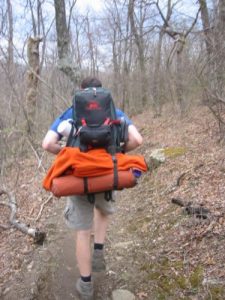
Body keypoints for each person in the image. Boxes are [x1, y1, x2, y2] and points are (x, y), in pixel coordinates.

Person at [42, 77, 143, 300]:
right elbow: (137, 139)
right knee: (102, 209)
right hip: (108, 173)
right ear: (101, 91)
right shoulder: (114, 111)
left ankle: (86, 285)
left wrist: (68, 154)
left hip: (79, 177)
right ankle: (99, 250)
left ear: (81, 92)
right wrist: (118, 151)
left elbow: (47, 144)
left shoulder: (72, 112)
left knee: (81, 231)